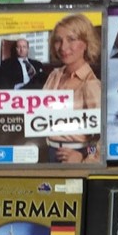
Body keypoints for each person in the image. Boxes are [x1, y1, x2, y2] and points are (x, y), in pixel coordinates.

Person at [42, 14, 101, 163]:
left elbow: (103, 136)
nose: (63, 47)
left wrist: (85, 157)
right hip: (47, 151)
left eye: (71, 39)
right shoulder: (54, 76)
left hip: (74, 155)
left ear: (86, 43)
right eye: (58, 40)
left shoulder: (91, 84)